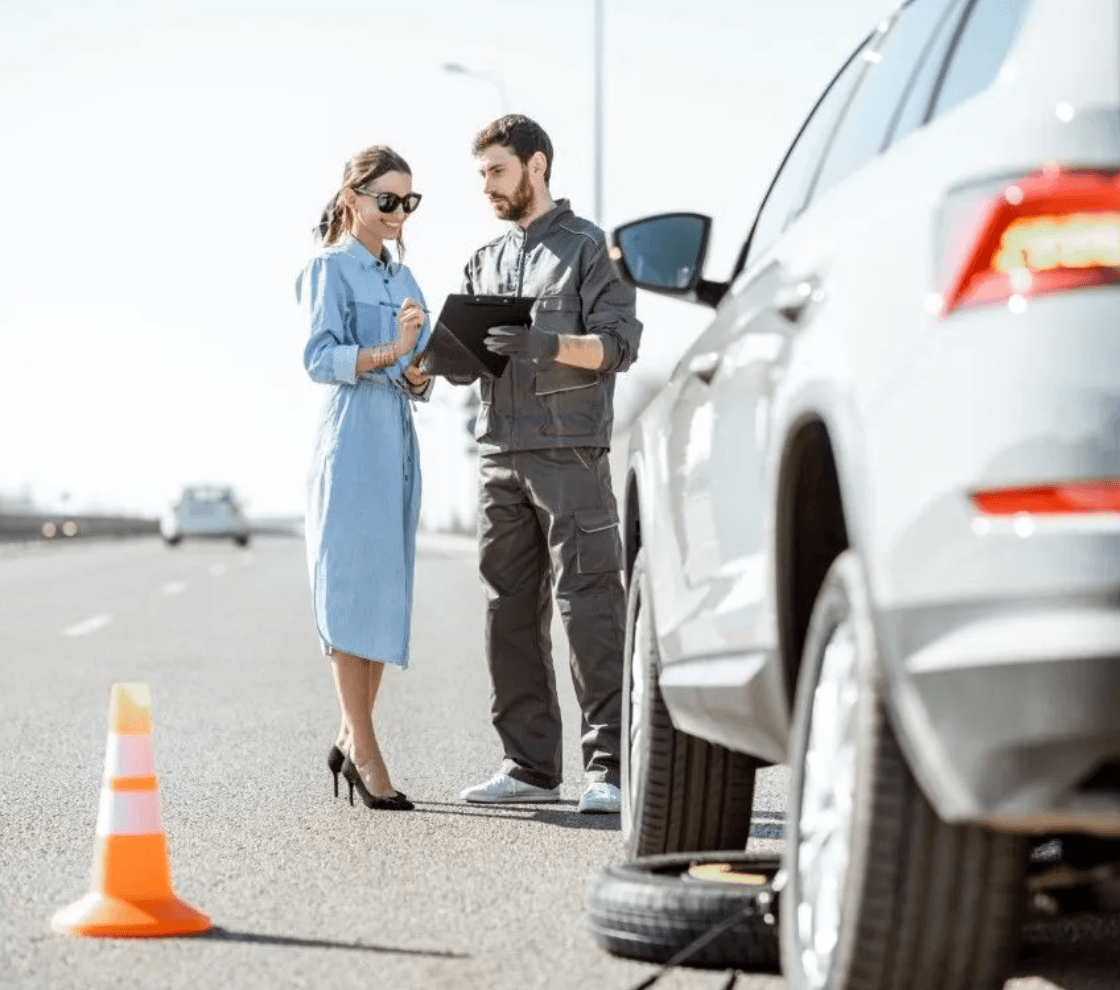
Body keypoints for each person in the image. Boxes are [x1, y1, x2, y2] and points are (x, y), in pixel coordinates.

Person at [450, 115, 642, 814]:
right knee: (507, 612)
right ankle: (529, 767)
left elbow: (619, 345)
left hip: (570, 456)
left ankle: (616, 769)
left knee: (590, 606)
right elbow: (474, 359)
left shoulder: (590, 249)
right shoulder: (484, 260)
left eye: (497, 172)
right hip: (499, 454)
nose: (488, 188)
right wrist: (450, 360)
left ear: (537, 166)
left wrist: (548, 345)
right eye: (482, 176)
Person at [296, 145, 433, 812]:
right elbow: (320, 358)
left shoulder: (405, 281)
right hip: (351, 440)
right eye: (387, 200)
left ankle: (351, 736)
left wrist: (417, 370)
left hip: (397, 440)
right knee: (351, 592)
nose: (399, 213)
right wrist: (391, 353)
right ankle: (367, 751)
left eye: (409, 201)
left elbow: (420, 369)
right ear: (353, 198)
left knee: (382, 594)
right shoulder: (328, 269)